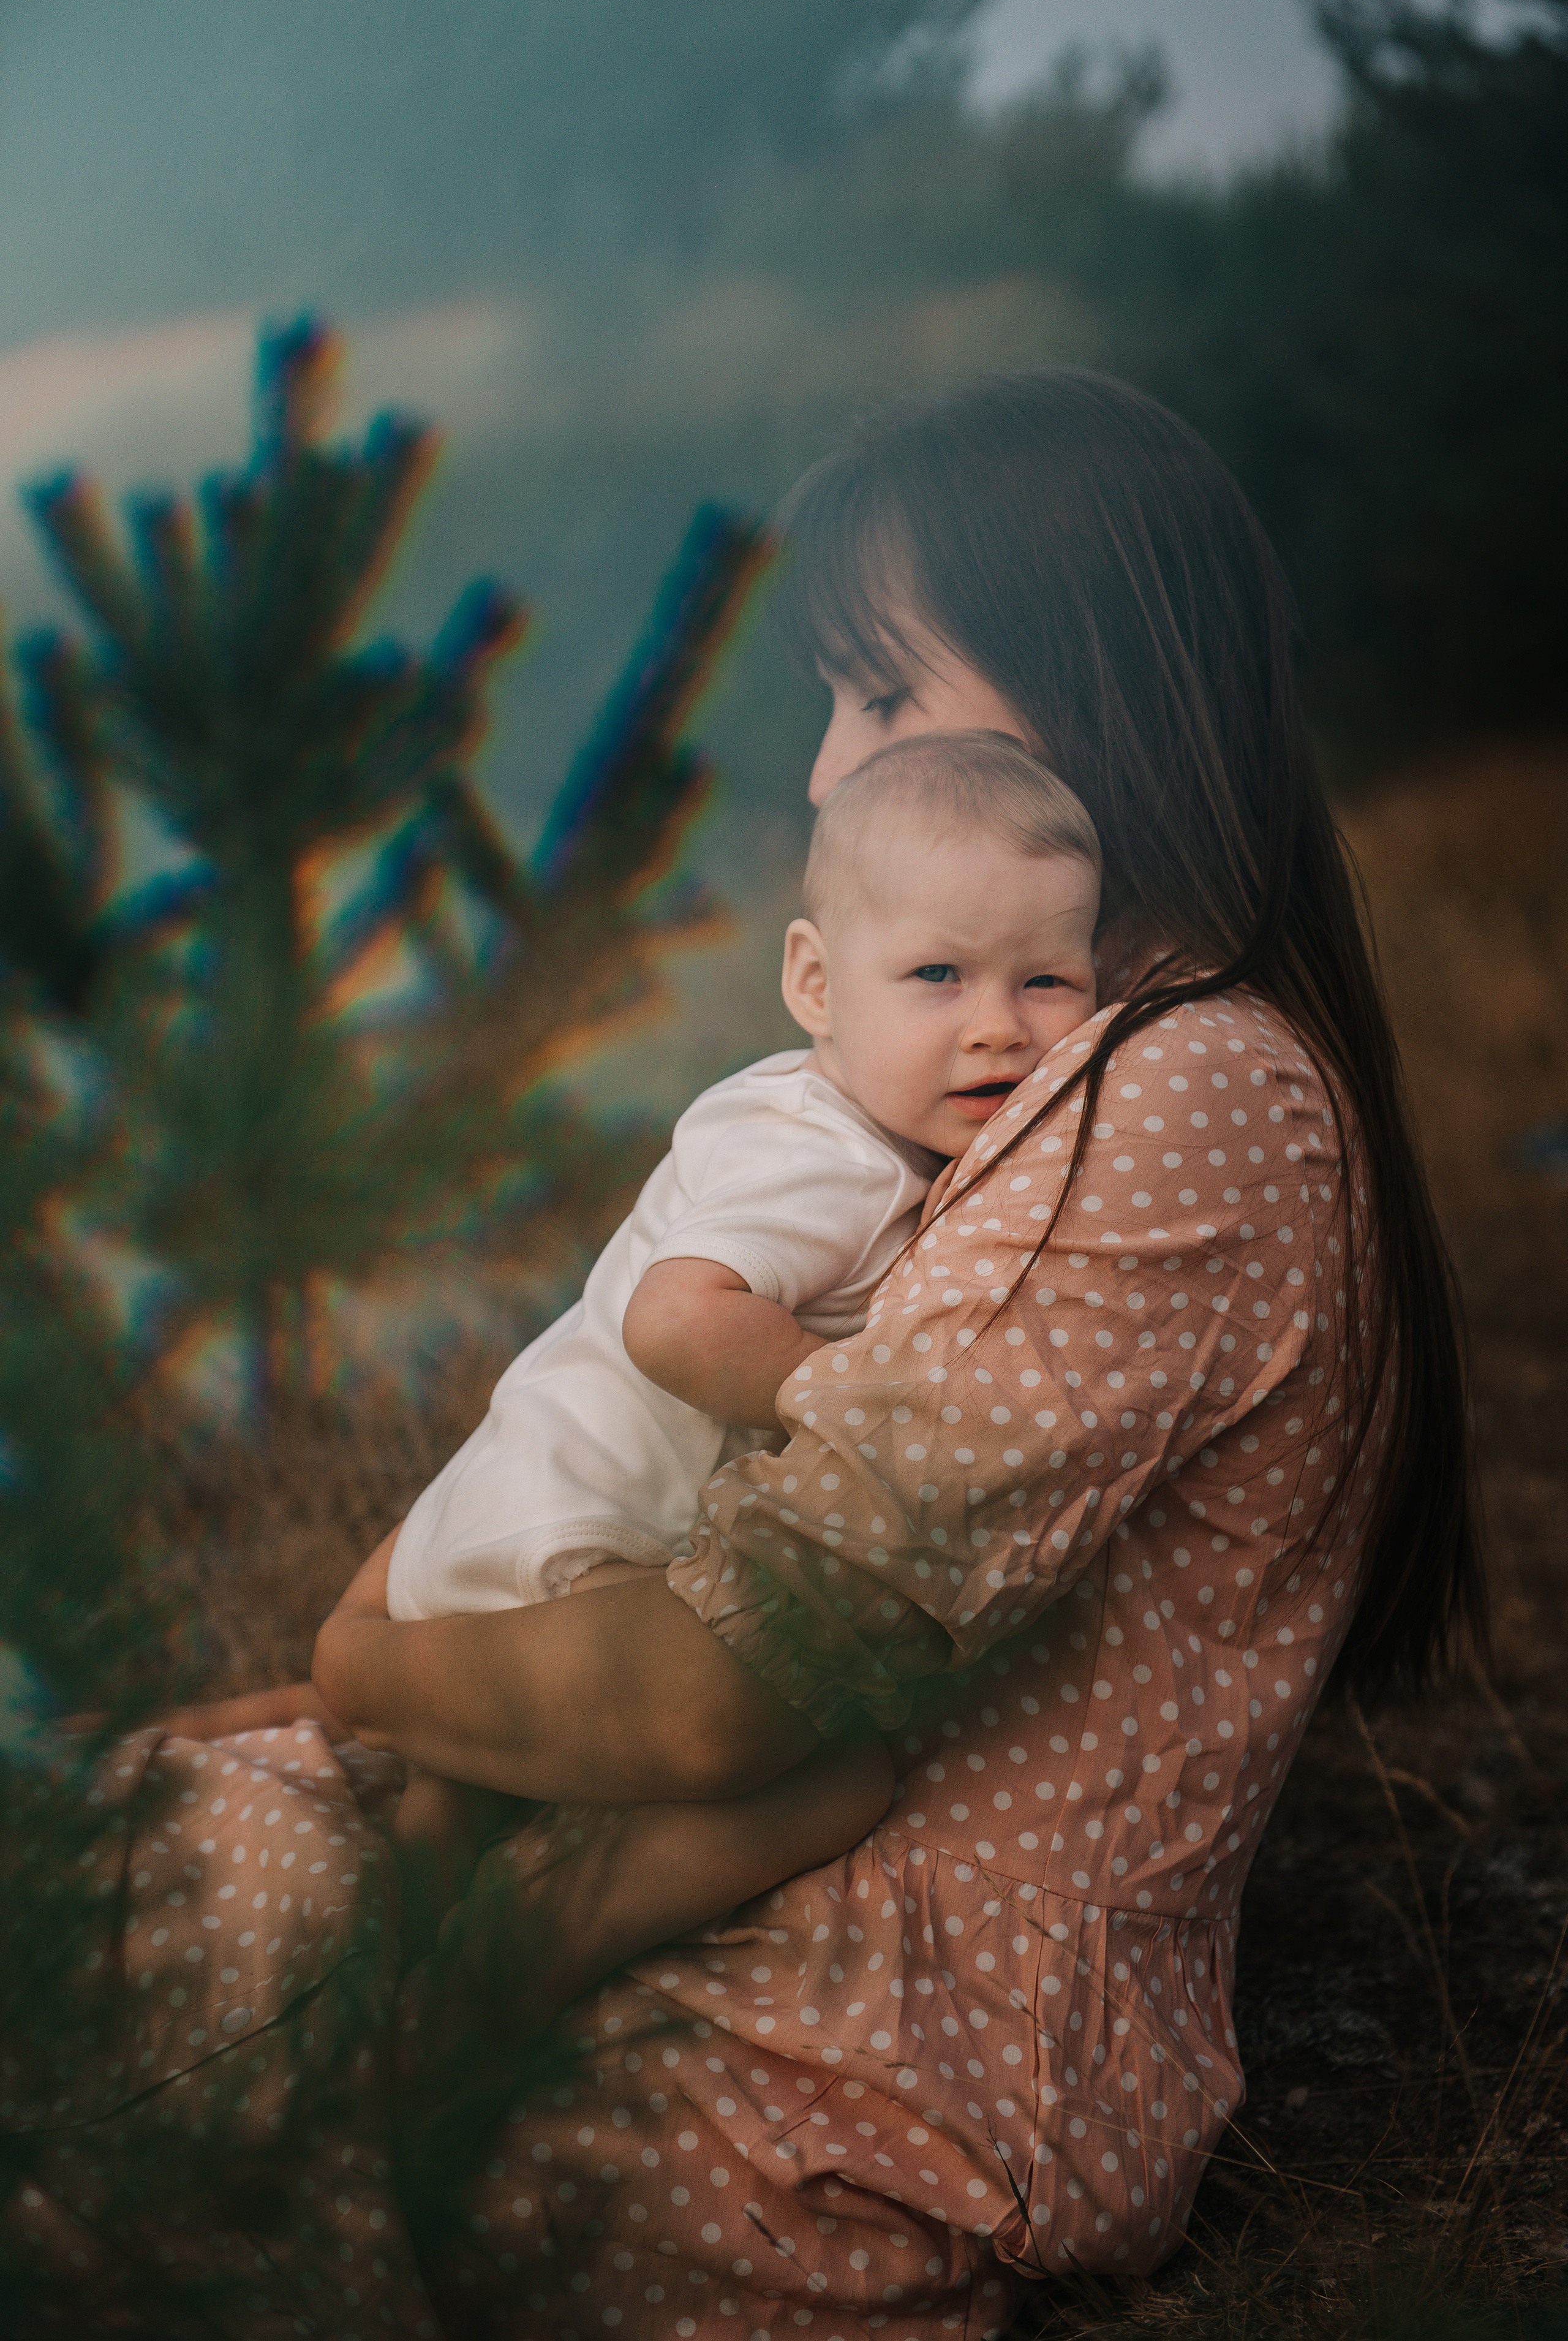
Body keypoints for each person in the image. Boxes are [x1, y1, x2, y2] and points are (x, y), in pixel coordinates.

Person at [12, 368, 1484, 2341]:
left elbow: (727, 1697)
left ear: (1096, 687)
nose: (822, 773)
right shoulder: (1056, 1077)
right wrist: (339, 1707)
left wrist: (374, 1662)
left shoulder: (1189, 1089)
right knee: (111, 1851)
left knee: (113, 1979)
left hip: (843, 2041)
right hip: (744, 1894)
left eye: (881, 693)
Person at [376, 729, 1103, 1949]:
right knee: (830, 1781)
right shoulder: (825, 1160)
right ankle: (518, 1966)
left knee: (480, 1785)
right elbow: (676, 1318)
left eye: (1045, 981)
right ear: (816, 984)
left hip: (509, 1510)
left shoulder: (800, 1105)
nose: (997, 1029)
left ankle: (412, 1902)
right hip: (580, 1533)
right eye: (936, 975)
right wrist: (843, 1397)